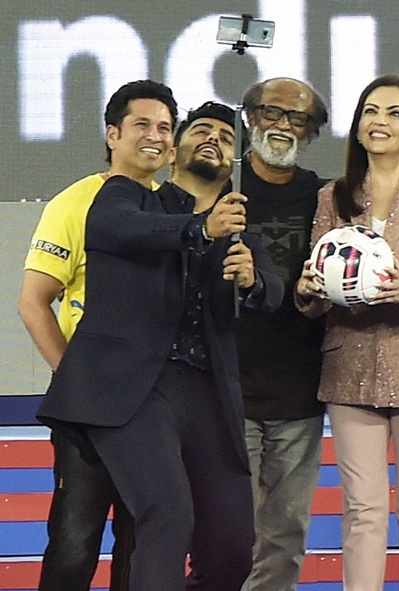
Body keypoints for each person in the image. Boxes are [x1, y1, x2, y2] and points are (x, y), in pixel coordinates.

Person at [36, 88, 284, 591]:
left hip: (208, 394)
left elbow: (273, 292)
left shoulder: (238, 230)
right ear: (174, 153)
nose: (214, 140)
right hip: (135, 391)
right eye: (200, 131)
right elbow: (118, 228)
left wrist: (252, 280)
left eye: (225, 136)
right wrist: (200, 228)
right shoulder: (128, 197)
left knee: (233, 544)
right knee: (162, 518)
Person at [296, 74, 399, 591]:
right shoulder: (336, 195)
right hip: (349, 365)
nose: (380, 121)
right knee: (363, 510)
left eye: (395, 113)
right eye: (371, 111)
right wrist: (309, 287)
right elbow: (315, 290)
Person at [17, 79, 175, 591]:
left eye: (165, 128)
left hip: (155, 408)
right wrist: (78, 377)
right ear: (112, 133)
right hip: (88, 411)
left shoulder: (177, 209)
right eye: (141, 125)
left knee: (144, 543)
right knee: (74, 540)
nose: (154, 137)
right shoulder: (75, 203)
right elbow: (33, 302)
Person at [235, 77, 329, 591]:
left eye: (298, 118)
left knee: (287, 530)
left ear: (311, 132)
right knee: (230, 528)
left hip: (300, 389)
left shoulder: (325, 197)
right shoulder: (222, 190)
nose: (283, 125)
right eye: (272, 112)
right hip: (227, 386)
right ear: (249, 117)